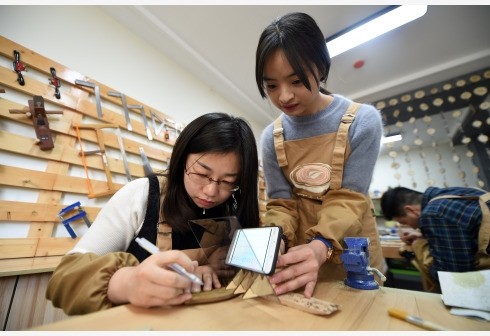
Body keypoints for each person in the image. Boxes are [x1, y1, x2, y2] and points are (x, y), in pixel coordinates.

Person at [46, 112, 259, 315]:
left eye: (228, 182)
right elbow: (63, 279)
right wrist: (127, 283)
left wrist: (209, 270)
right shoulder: (142, 195)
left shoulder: (233, 207)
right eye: (202, 174)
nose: (211, 192)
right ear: (182, 159)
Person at [255, 12, 386, 298]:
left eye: (297, 81)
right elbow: (281, 203)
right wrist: (275, 238)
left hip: (353, 252)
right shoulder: (271, 136)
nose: (285, 96)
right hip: (299, 258)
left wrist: (321, 245)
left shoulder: (363, 121)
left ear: (321, 67)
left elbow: (350, 199)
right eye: (272, 86)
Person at [380, 186, 490, 292]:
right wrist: (424, 234)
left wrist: (419, 245)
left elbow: (453, 278)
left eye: (404, 223)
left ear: (411, 210)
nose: (411, 227)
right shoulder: (454, 193)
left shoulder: (434, 214)